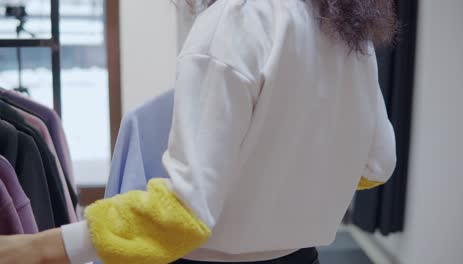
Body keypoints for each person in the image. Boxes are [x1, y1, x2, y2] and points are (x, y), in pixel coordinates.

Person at [0, 0, 397, 263]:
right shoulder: (343, 29)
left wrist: (35, 248)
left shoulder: (235, 21)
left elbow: (182, 213)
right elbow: (377, 163)